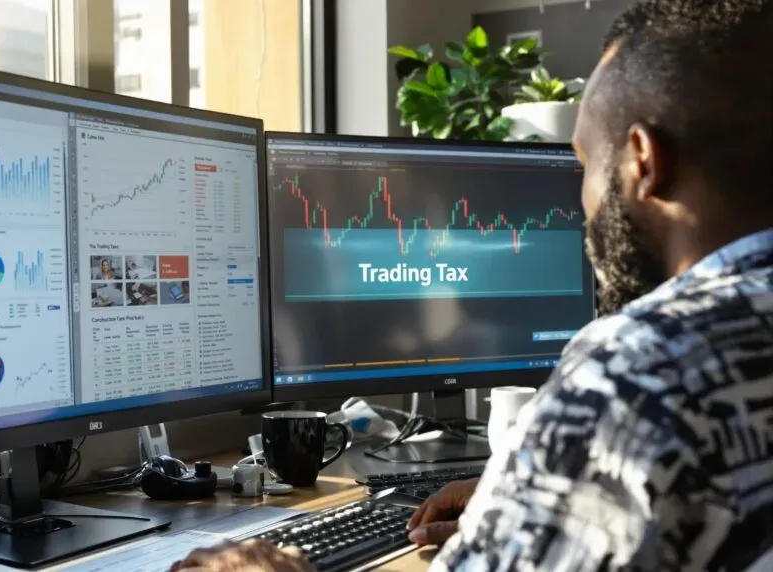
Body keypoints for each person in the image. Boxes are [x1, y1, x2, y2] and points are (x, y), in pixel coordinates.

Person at [169, 0, 773, 570]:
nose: (582, 201)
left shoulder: (640, 369)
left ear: (642, 161)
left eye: (586, 164)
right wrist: (539, 515)